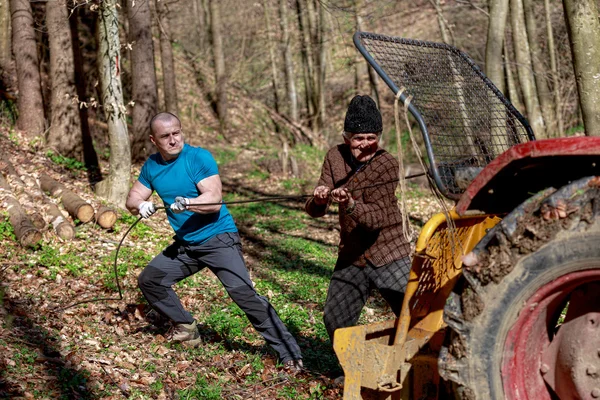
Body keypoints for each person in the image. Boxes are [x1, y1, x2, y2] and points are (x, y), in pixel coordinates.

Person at [126, 112, 303, 371]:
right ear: (154, 140)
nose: (173, 140)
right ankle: (186, 328)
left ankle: (289, 353)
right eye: (166, 136)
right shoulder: (152, 166)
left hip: (218, 238)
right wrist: (140, 205)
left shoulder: (197, 157)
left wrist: (188, 202)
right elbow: (132, 198)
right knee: (150, 280)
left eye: (177, 133)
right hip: (187, 245)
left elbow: (213, 199)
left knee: (243, 294)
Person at [305, 95, 412, 346]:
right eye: (359, 138)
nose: (365, 144)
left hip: (389, 251)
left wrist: (350, 204)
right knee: (335, 320)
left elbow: (375, 219)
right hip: (352, 254)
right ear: (346, 138)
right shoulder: (334, 156)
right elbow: (314, 209)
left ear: (379, 137)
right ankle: (353, 372)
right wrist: (320, 199)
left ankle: (412, 367)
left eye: (371, 138)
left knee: (414, 316)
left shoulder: (386, 163)